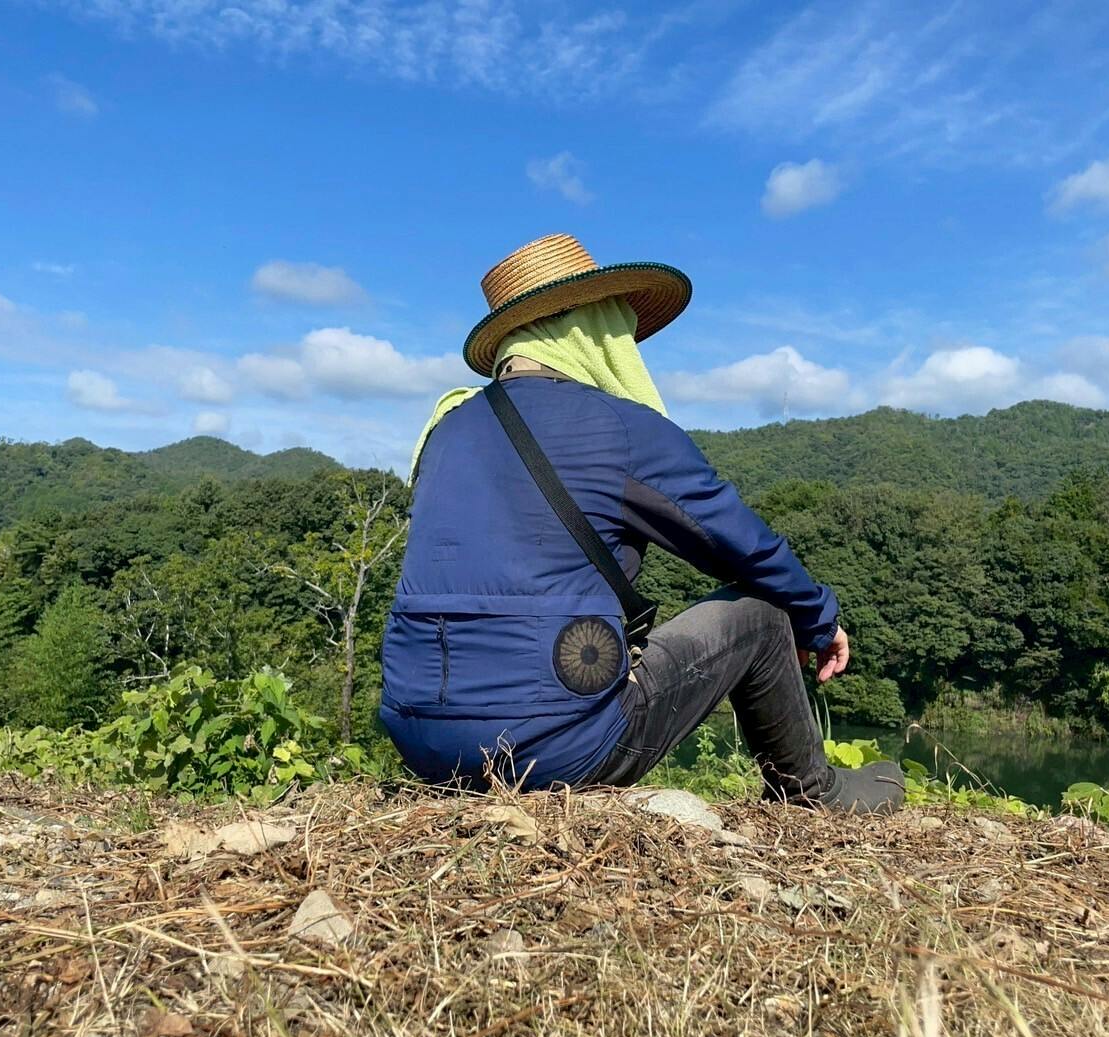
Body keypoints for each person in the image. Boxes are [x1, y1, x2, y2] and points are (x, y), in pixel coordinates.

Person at [379, 234, 904, 813]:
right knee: (761, 612)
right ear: (588, 325)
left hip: (422, 745)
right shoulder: (622, 428)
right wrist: (817, 618)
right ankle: (814, 792)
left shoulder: (445, 430)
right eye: (619, 322)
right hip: (556, 751)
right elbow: (743, 548)